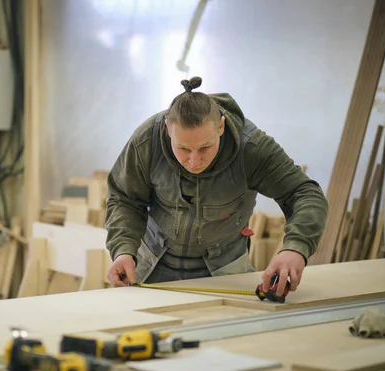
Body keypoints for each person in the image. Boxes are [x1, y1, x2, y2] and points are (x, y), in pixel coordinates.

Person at [104, 76, 328, 295]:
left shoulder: (251, 149)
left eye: (205, 148)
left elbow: (305, 193)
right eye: (183, 149)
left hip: (225, 270)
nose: (194, 161)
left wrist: (295, 248)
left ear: (221, 126)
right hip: (151, 263)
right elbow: (124, 199)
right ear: (167, 129)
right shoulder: (146, 141)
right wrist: (123, 250)